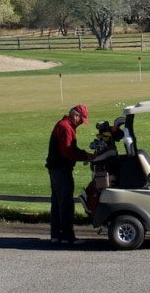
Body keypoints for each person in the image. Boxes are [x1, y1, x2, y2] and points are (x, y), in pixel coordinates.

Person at [45, 104, 93, 245]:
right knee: (66, 203)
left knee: (57, 202)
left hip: (55, 169)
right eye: (81, 120)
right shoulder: (66, 127)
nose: (81, 123)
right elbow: (68, 152)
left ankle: (56, 236)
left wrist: (83, 154)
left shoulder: (64, 125)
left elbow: (70, 150)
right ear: (75, 115)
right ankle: (67, 237)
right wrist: (86, 156)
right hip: (61, 169)